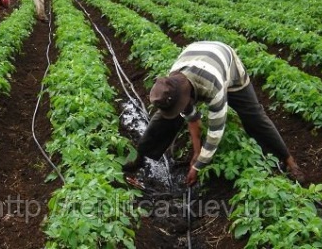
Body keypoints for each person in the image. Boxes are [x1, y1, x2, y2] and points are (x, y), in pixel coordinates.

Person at [123, 41, 305, 185]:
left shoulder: (213, 87)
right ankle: (140, 155)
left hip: (228, 66)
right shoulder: (173, 83)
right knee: (164, 119)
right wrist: (196, 152)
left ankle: (290, 162)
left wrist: (199, 165)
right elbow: (192, 118)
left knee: (254, 118)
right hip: (197, 55)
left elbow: (215, 133)